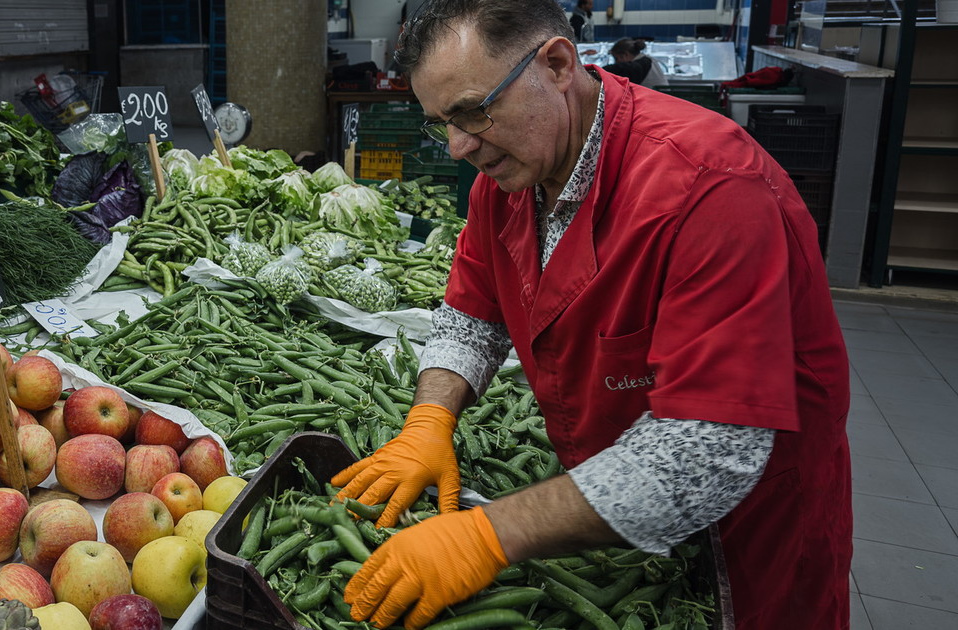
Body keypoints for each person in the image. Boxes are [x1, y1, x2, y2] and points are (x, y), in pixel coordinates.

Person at [330, 1, 852, 629]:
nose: (460, 146)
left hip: (745, 531)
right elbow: (473, 313)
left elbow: (706, 452)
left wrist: (488, 536)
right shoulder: (510, 179)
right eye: (442, 123)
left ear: (556, 65)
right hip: (601, 501)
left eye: (472, 111)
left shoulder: (711, 187)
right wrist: (431, 419)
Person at [603, 37, 668, 88]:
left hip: (656, 99)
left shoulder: (642, 64)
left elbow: (620, 68)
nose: (616, 62)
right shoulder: (647, 60)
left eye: (616, 58)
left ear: (626, 55)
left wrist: (600, 70)